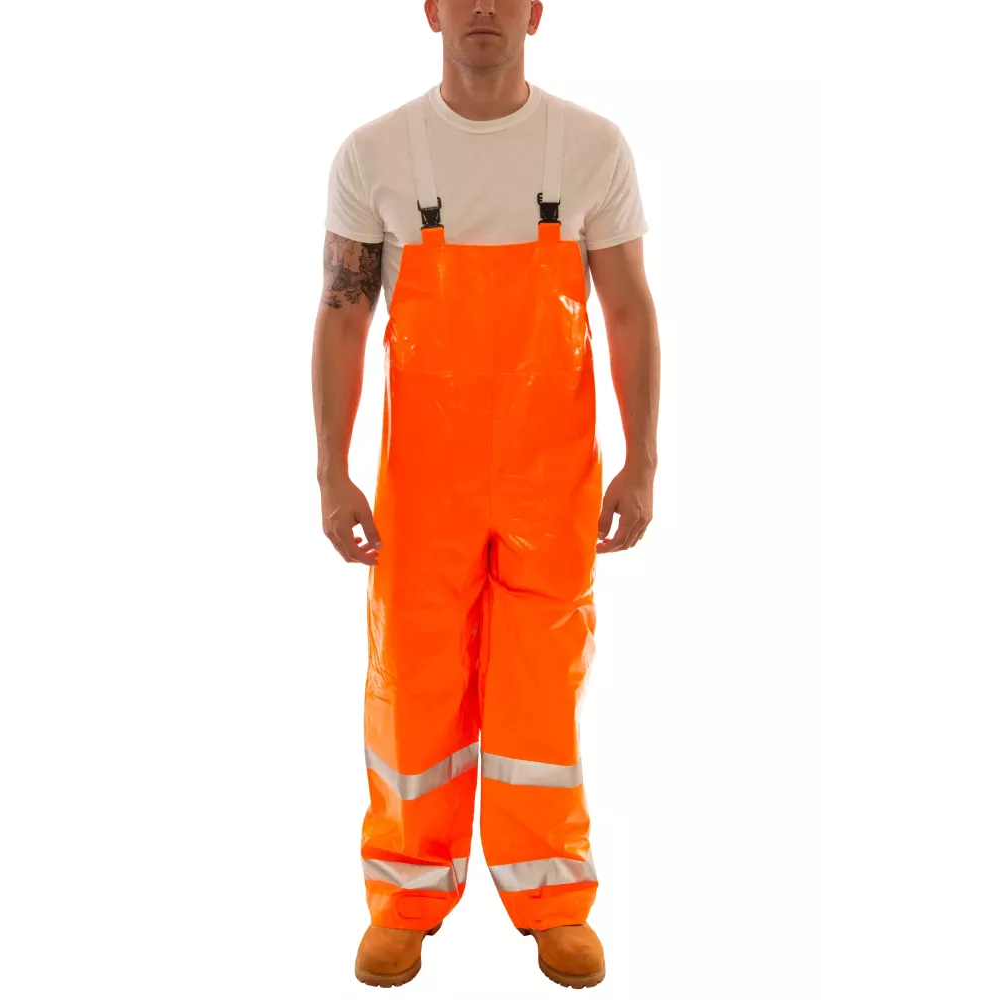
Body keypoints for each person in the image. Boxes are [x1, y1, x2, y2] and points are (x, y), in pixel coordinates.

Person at [311, 0, 659, 989]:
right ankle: (404, 900)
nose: (483, 7)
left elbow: (629, 308)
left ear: (536, 12)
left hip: (552, 480)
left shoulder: (590, 147)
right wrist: (331, 471)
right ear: (429, 10)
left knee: (540, 687)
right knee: (415, 682)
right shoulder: (375, 153)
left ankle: (552, 901)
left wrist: (642, 462)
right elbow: (341, 315)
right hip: (424, 484)